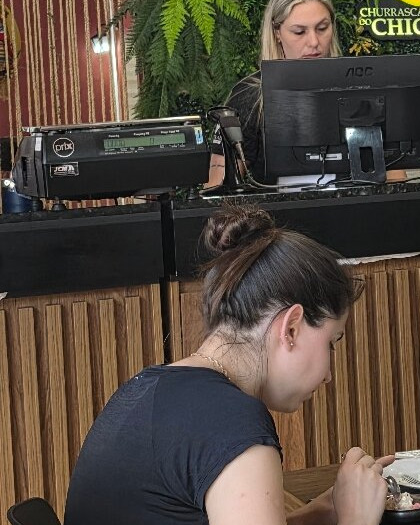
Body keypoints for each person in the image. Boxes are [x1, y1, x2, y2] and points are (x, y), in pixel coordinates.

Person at [64, 204, 390, 525]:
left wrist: (322, 512)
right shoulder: (234, 423)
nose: (329, 375)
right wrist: (357, 518)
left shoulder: (151, 386)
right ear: (291, 328)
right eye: (332, 342)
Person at [208, 0, 342, 187]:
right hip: (274, 208)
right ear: (277, 33)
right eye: (299, 32)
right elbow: (216, 186)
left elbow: (392, 177)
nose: (314, 42)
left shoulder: (359, 86)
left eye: (322, 28)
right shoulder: (250, 96)